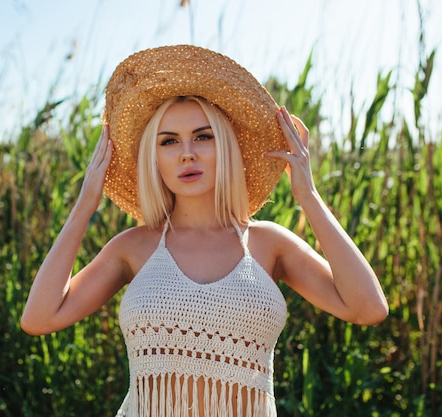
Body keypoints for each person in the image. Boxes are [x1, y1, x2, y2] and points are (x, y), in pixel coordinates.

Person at [21, 45, 388, 417]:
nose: (186, 153)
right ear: (155, 157)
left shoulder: (268, 244)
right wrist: (85, 205)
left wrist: (308, 196)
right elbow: (40, 317)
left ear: (225, 146)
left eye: (203, 136)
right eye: (168, 141)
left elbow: (368, 308)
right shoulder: (134, 248)